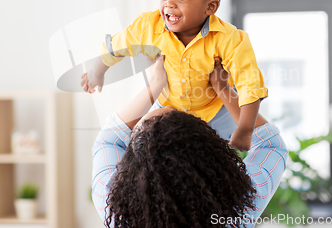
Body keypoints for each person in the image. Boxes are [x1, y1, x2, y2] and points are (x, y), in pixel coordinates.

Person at [82, 0, 268, 151]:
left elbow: (250, 86)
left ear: (210, 7)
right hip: (169, 107)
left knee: (216, 160)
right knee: (149, 152)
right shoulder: (149, 26)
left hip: (215, 111)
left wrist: (245, 130)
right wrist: (97, 71)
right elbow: (117, 47)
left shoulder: (229, 38)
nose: (168, 3)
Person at [91, 55, 287, 227]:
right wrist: (223, 89)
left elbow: (108, 141)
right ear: (211, 150)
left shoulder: (116, 210)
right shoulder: (237, 210)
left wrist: (155, 86)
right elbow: (271, 146)